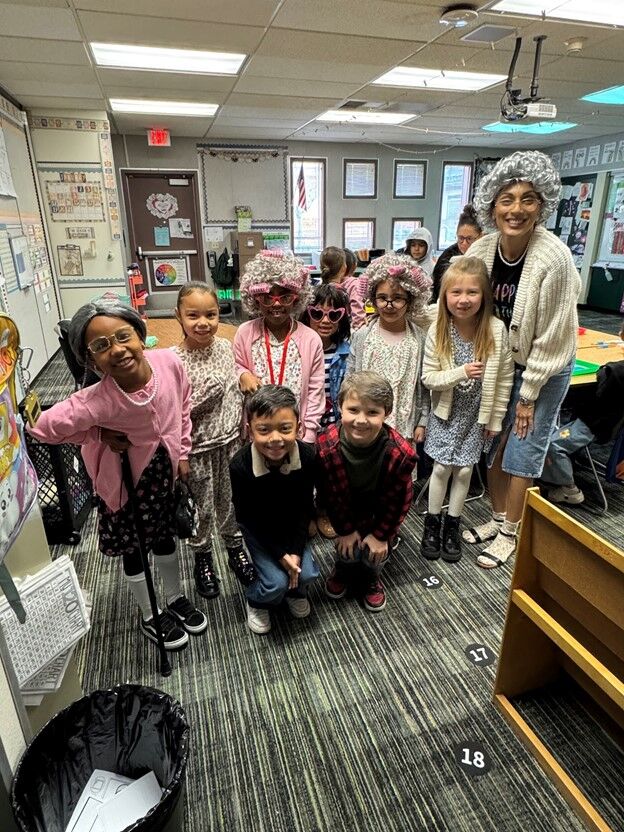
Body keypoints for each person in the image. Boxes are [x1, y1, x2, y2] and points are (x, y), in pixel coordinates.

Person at [27, 302, 207, 651]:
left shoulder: (169, 363)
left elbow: (183, 404)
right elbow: (41, 428)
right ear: (91, 361)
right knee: (135, 548)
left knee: (166, 538)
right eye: (101, 345)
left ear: (141, 335)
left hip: (163, 478)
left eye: (123, 336)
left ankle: (173, 597)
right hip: (125, 489)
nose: (117, 349)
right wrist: (96, 435)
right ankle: (149, 612)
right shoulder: (96, 400)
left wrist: (183, 451)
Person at [466, 150, 581, 568]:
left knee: (522, 449)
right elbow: (459, 302)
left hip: (545, 367)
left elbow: (552, 339)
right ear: (492, 206)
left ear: (542, 205)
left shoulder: (554, 258)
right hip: (503, 362)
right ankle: (498, 518)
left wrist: (528, 396)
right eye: (507, 199)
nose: (516, 209)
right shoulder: (481, 248)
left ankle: (511, 533)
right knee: (492, 441)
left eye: (528, 198)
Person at [421, 257, 513, 561]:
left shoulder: (495, 330)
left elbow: (504, 380)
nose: (463, 300)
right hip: (445, 415)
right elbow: (429, 378)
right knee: (440, 468)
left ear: (484, 296)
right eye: (455, 292)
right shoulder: (438, 330)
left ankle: (452, 524)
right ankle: (432, 523)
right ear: (444, 295)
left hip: (477, 416)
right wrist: (460, 372)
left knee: (464, 471)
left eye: (472, 292)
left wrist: (496, 419)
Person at [172, 282, 254, 598]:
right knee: (203, 508)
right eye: (193, 315)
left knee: (232, 503)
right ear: (178, 316)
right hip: (197, 449)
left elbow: (239, 381)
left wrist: (244, 375)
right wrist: (202, 399)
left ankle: (235, 549)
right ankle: (202, 557)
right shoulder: (173, 359)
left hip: (231, 443)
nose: (202, 322)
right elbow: (170, 411)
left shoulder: (226, 347)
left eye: (211, 314)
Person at [316, 372, 417, 611]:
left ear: (387, 413)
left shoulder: (399, 454)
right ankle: (342, 568)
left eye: (372, 412)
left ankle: (372, 577)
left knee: (374, 553)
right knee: (347, 549)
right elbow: (329, 495)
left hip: (379, 513)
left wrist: (382, 535)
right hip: (346, 510)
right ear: (340, 407)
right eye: (353, 410)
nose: (361, 420)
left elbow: (400, 501)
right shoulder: (325, 445)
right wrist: (345, 530)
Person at [229, 385, 319, 634]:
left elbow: (304, 507)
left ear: (299, 427)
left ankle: (295, 591)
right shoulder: (240, 466)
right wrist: (281, 555)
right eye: (264, 430)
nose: (275, 439)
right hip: (260, 530)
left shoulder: (308, 456)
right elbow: (248, 517)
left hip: (293, 526)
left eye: (285, 428)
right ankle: (257, 600)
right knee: (274, 583)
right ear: (250, 431)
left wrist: (296, 552)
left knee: (308, 574)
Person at [233, 250, 324, 443]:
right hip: (258, 433)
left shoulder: (310, 339)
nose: (276, 304)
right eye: (267, 297)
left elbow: (315, 391)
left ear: (297, 297)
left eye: (285, 297)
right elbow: (234, 365)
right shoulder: (245, 332)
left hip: (296, 434)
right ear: (255, 299)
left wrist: (309, 436)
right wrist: (242, 374)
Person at [348, 253, 431, 447]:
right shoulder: (363, 337)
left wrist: (422, 421)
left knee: (399, 472)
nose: (389, 305)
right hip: (365, 423)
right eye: (382, 298)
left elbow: (424, 386)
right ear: (373, 299)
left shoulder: (419, 339)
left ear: (410, 301)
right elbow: (350, 379)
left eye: (398, 298)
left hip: (404, 425)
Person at [300, 283, 351, 540]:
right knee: (303, 469)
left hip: (333, 421)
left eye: (334, 315)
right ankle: (306, 511)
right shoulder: (298, 346)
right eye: (317, 314)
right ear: (306, 313)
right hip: (305, 420)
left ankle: (324, 510)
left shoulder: (345, 350)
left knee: (329, 469)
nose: (325, 320)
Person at [542, 359, 624, 504]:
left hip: (595, 425)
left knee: (552, 445)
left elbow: (605, 377)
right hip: (604, 422)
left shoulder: (616, 371)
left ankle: (569, 489)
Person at [431, 204, 483, 302]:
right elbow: (437, 292)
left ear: (481, 236)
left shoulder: (488, 254)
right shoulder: (447, 257)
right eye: (461, 238)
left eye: (469, 239)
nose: (464, 243)